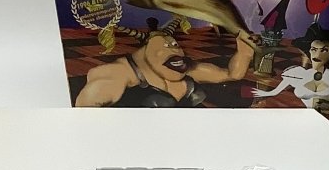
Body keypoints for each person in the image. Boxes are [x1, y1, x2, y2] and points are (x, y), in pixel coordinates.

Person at [76, 22, 254, 108]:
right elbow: (85, 113)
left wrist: (245, 51)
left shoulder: (187, 70)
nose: (176, 50)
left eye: (175, 44)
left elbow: (232, 74)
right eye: (167, 46)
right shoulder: (118, 73)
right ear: (145, 51)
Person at [251, 22, 329, 107]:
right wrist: (266, 93)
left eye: (324, 50)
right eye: (314, 49)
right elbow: (275, 91)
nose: (317, 54)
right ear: (309, 50)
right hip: (305, 122)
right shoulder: (299, 73)